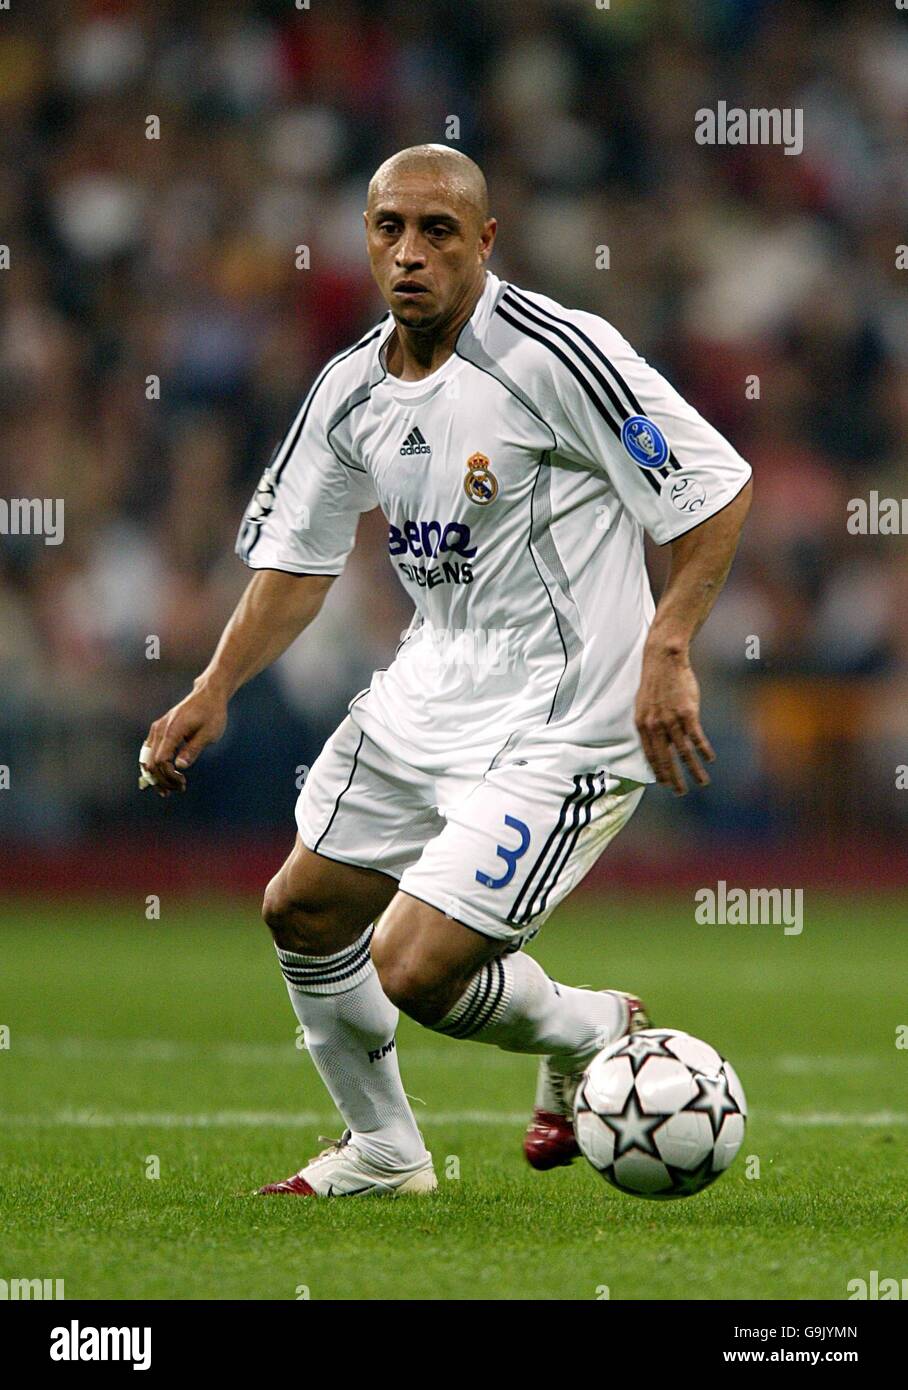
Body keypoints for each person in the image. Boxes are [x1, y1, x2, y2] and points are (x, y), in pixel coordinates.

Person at [140, 144, 752, 1197]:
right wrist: (213, 685)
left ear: (484, 240)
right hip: (430, 688)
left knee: (415, 966)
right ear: (366, 240)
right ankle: (385, 1152)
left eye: (436, 230)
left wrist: (666, 648)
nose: (409, 253)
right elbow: (297, 561)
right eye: (388, 229)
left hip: (568, 713)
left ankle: (591, 1025)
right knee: (303, 911)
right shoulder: (347, 391)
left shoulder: (557, 354)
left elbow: (710, 487)